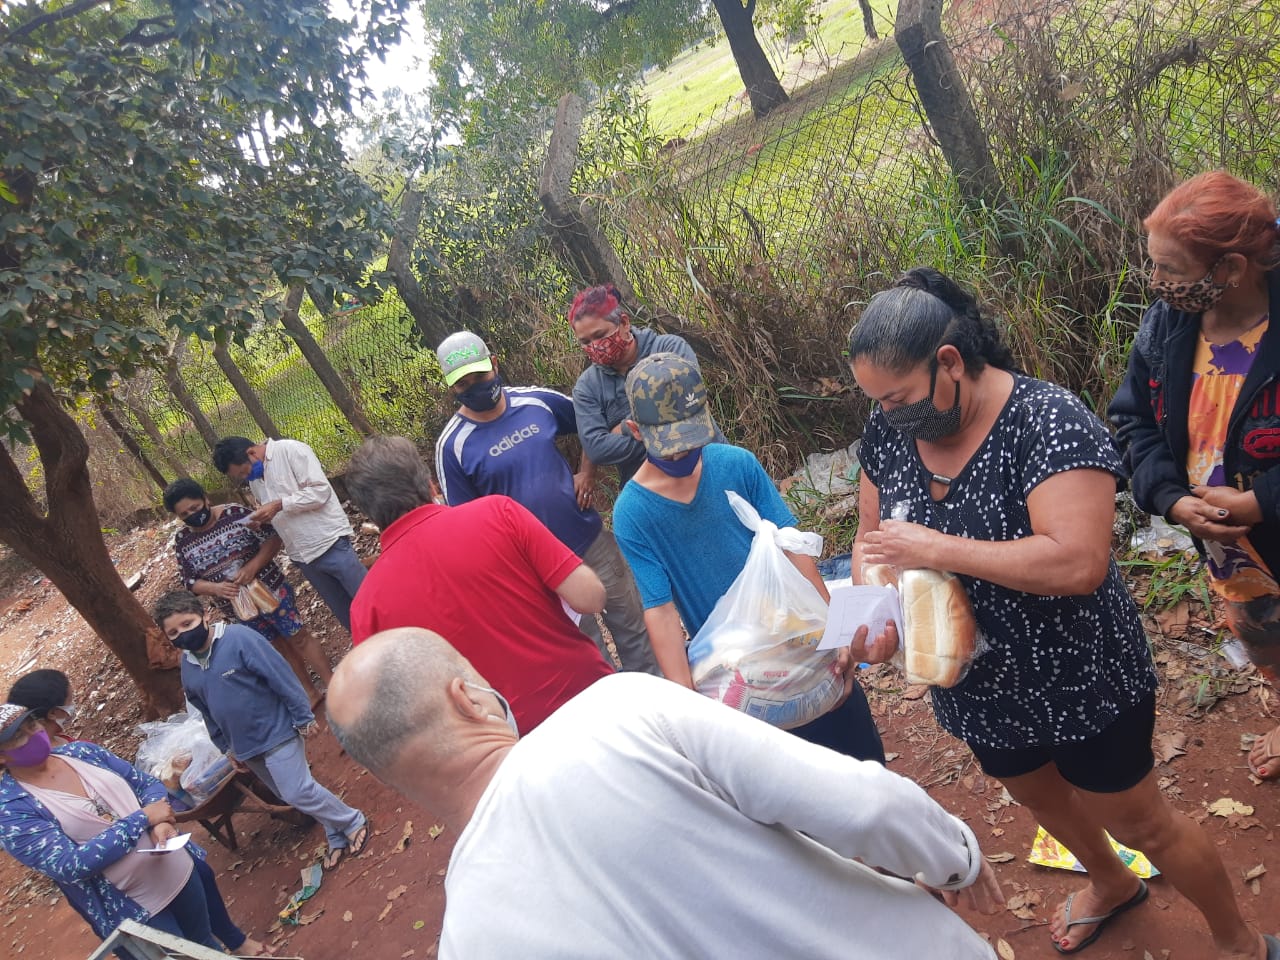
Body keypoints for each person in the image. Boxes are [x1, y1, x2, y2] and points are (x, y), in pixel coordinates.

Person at [848, 267, 1271, 959]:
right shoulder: (889, 426)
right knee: (1037, 796)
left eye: (896, 398)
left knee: (1142, 823)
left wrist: (936, 544)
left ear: (948, 362)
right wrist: (875, 612)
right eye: (878, 403)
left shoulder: (1045, 420)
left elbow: (1078, 565)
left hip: (1077, 674)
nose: (888, 416)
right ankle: (1111, 884)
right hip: (974, 680)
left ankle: (1239, 942)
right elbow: (873, 540)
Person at [325, 627, 1005, 959]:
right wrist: (956, 859)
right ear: (469, 696)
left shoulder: (468, 942)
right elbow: (862, 803)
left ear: (390, 778)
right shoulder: (619, 712)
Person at [612, 352, 884, 762]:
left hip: (800, 641)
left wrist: (837, 634)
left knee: (861, 763)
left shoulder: (737, 465)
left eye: (691, 441)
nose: (683, 456)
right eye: (670, 448)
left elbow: (793, 548)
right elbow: (661, 612)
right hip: (735, 673)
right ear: (636, 431)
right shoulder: (633, 513)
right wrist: (689, 703)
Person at [1109, 171, 1280, 785]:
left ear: (1231, 268)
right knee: (1263, 632)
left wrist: (1262, 499)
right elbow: (1133, 422)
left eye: (1170, 270)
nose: (1156, 284)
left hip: (1261, 520)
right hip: (1232, 549)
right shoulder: (1166, 327)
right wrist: (1170, 498)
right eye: (1153, 266)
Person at [345, 434, 611, 732]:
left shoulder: (366, 608)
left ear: (368, 511)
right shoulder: (498, 513)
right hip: (585, 699)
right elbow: (591, 597)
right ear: (429, 484)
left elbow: (401, 718)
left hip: (497, 746)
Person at [433, 330, 659, 675]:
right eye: (464, 384)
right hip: (538, 569)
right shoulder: (453, 446)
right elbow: (467, 524)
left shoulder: (535, 401)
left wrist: (587, 471)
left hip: (588, 537)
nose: (475, 386)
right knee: (586, 648)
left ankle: (655, 692)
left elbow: (590, 427)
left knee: (632, 622)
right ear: (452, 388)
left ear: (494, 364)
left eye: (480, 375)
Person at [0, 703, 270, 955]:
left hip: (178, 870)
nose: (33, 735)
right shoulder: (12, 812)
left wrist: (161, 820)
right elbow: (69, 864)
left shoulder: (81, 753)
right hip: (139, 908)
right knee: (182, 957)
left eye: (32, 725)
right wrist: (142, 819)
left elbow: (144, 784)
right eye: (19, 737)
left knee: (205, 945)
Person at [152, 590, 369, 872]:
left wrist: (302, 715)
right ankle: (335, 831)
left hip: (276, 729)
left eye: (187, 624)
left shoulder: (238, 639)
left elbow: (279, 674)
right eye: (173, 632)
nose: (183, 634)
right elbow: (205, 710)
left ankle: (352, 820)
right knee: (292, 792)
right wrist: (226, 747)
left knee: (297, 791)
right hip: (246, 747)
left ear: (205, 615)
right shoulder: (188, 666)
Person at [163, 477, 329, 694]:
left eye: (194, 508)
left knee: (299, 637)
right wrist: (216, 589)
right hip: (239, 607)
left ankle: (333, 683)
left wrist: (253, 567)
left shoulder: (234, 514)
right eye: (184, 515)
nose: (192, 515)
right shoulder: (183, 540)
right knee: (277, 648)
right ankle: (310, 693)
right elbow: (189, 580)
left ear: (205, 499)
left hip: (271, 590)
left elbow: (272, 538)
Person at [568, 283, 725, 485]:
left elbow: (686, 402)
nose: (595, 346)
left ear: (624, 323)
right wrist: (669, 431)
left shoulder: (670, 348)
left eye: (599, 335)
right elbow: (596, 449)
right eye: (585, 342)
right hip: (650, 489)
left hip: (709, 466)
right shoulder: (587, 387)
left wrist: (622, 429)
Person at [212, 435, 366, 633]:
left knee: (368, 599)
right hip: (302, 556)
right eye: (240, 476)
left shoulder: (290, 451)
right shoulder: (256, 483)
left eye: (244, 471)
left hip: (329, 542)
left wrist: (279, 505)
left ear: (251, 452)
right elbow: (276, 514)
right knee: (347, 614)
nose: (246, 478)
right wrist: (262, 521)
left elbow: (320, 492)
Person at [8, 669, 78, 747]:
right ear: (53, 713)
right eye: (70, 701)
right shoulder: (76, 752)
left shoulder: (22, 749)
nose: (73, 705)